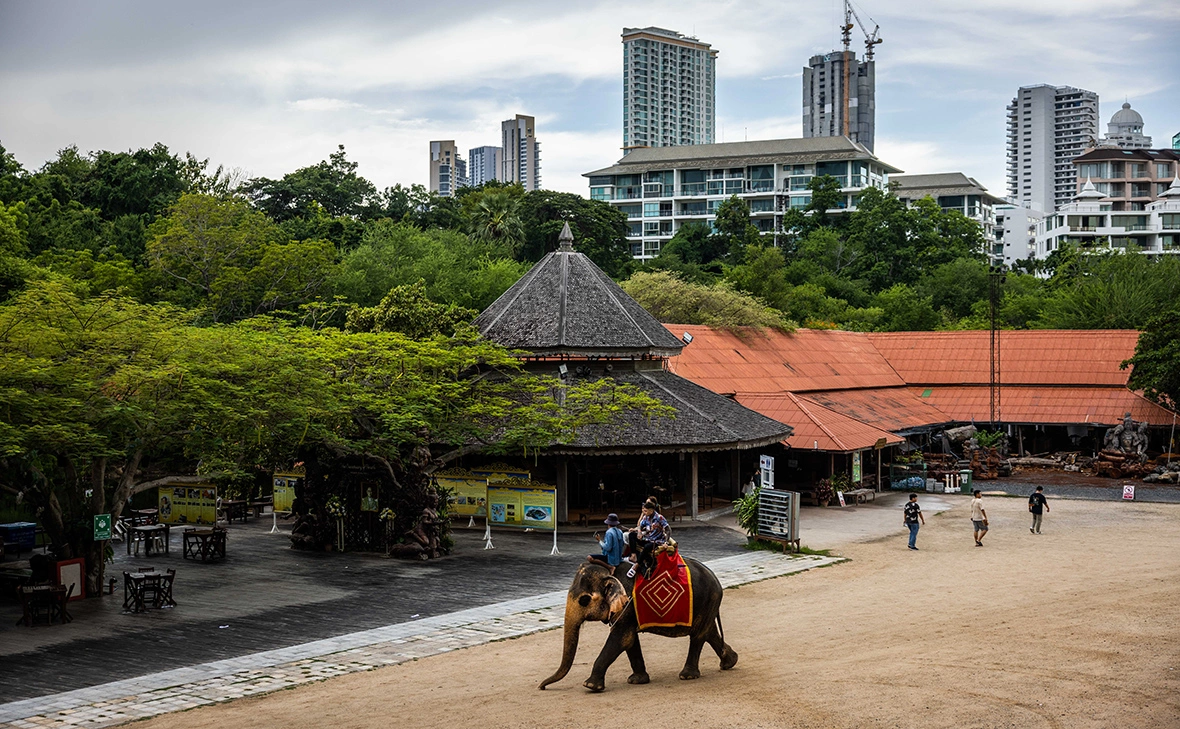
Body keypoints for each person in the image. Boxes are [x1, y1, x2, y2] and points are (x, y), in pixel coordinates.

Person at [627, 498, 669, 578]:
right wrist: (638, 531)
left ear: (651, 510)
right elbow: (640, 526)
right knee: (631, 535)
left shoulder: (659, 518)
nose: (644, 513)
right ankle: (633, 556)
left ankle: (636, 565)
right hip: (648, 538)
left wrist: (666, 542)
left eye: (646, 511)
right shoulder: (646, 517)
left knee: (647, 547)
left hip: (657, 540)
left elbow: (668, 530)